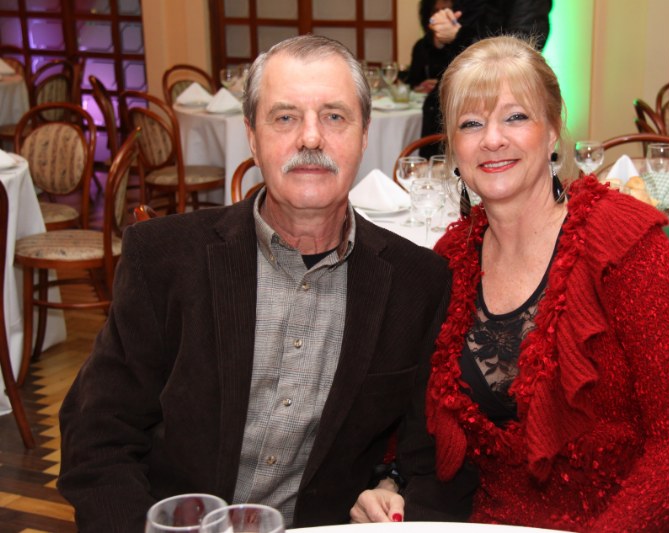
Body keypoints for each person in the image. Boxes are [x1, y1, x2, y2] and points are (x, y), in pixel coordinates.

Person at [57, 35, 476, 532]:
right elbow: (98, 437)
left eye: (334, 117)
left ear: (365, 135)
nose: (311, 138)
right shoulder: (162, 259)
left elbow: (425, 458)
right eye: (285, 117)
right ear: (252, 137)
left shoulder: (417, 283)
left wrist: (391, 488)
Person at [351, 36, 669, 532]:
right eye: (471, 124)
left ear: (552, 132)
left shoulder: (626, 246)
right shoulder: (450, 259)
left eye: (516, 117)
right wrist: (389, 484)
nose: (492, 139)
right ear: (453, 148)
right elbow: (421, 418)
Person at [418, 0, 552, 158]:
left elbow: (520, 50)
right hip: (454, 104)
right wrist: (439, 36)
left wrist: (458, 36)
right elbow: (443, 61)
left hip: (501, 102)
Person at [405, 0, 456, 94]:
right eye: (435, 11)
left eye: (445, 10)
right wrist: (420, 86)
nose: (439, 16)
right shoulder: (421, 46)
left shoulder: (463, 44)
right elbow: (411, 82)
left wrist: (440, 86)